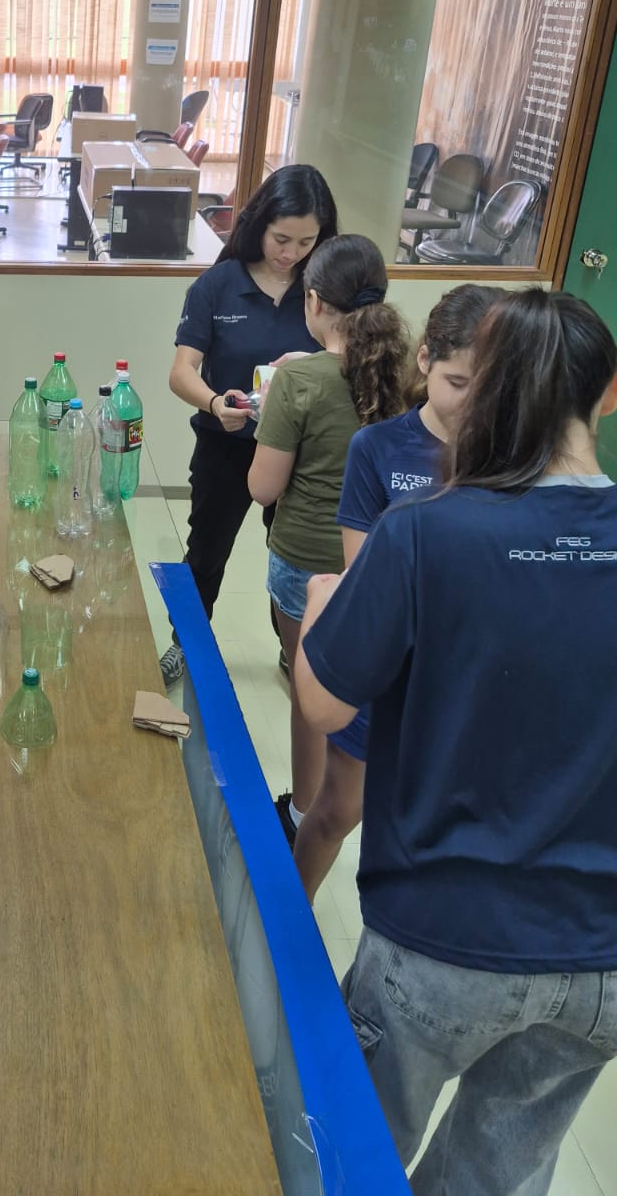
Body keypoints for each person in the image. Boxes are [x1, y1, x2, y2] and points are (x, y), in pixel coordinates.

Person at [296, 290, 617, 1196]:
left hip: (444, 944)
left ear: (487, 389)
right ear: (608, 396)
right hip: (600, 960)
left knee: (343, 1160)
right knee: (492, 1178)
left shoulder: (427, 532)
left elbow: (322, 704)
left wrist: (324, 605)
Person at [292, 283, 501, 901]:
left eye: (491, 389)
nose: (474, 405)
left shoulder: (513, 457)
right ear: (426, 360)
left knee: (436, 830)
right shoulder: (378, 448)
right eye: (460, 383)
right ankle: (285, 923)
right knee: (336, 811)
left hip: (466, 677)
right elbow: (363, 580)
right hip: (388, 670)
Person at [247, 234, 409, 846]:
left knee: (309, 692)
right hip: (382, 562)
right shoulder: (405, 373)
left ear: (313, 302)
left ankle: (301, 809)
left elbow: (264, 489)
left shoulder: (298, 382)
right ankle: (350, 798)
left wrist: (270, 408)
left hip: (307, 563)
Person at [161, 164, 337, 684]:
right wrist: (216, 404)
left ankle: (294, 648)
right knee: (206, 550)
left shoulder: (323, 290)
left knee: (294, 560)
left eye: (307, 241)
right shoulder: (219, 285)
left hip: (304, 453)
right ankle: (186, 642)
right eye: (282, 238)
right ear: (259, 223)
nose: (292, 253)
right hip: (228, 442)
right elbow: (180, 373)